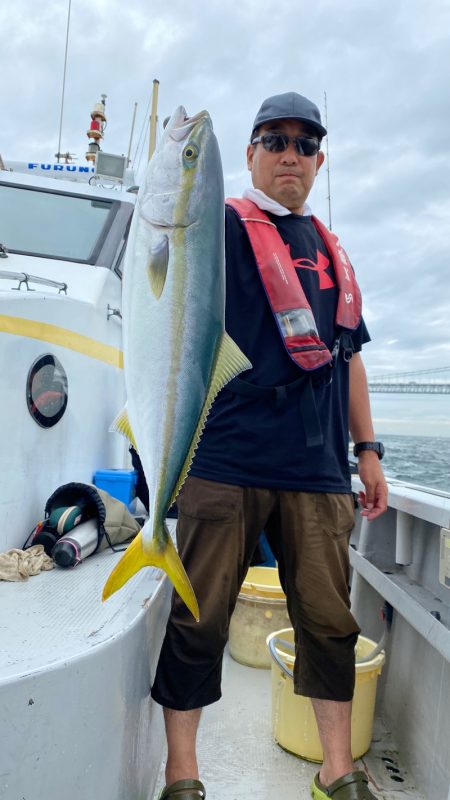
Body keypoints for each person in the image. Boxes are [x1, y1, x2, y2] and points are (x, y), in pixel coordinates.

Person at [151, 91, 388, 800]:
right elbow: (163, 264)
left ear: (320, 160)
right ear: (251, 154)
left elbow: (349, 356)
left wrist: (368, 449)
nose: (291, 153)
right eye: (275, 140)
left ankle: (336, 770)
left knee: (328, 622)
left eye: (306, 143)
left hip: (317, 470)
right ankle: (182, 773)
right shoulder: (215, 225)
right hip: (224, 458)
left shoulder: (330, 250)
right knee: (199, 619)